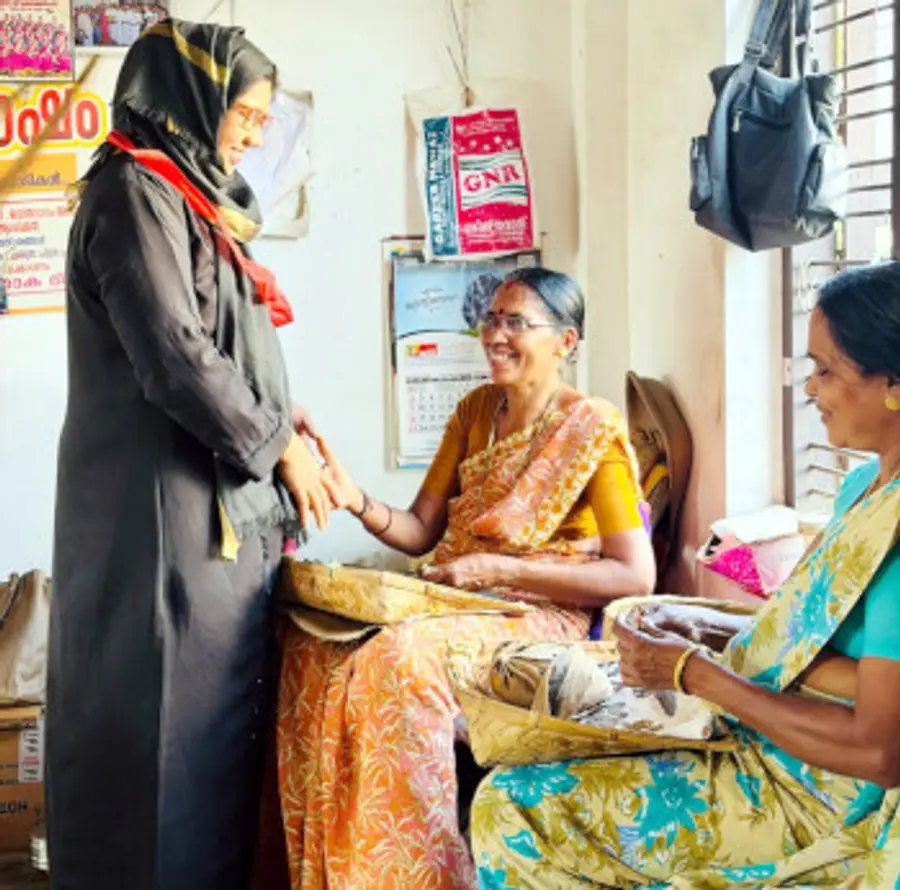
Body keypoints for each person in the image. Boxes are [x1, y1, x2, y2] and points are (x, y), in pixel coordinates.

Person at [470, 261, 900, 889]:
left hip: (815, 789)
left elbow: (878, 747)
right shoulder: (864, 486)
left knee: (513, 807)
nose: (810, 389)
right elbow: (814, 635)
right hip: (763, 729)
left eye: (825, 370)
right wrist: (711, 628)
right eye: (492, 321)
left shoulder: (590, 426)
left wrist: (692, 671)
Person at [46, 19, 330, 890]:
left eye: (259, 117)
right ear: (189, 99)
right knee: (158, 733)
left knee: (203, 735)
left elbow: (218, 343)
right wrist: (278, 446)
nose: (250, 132)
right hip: (157, 510)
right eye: (242, 113)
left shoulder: (186, 198)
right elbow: (175, 353)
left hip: (200, 502)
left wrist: (292, 420)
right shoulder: (133, 193)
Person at [276, 267, 657, 889]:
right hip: (458, 596)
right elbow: (421, 530)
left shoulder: (591, 429)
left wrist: (500, 568)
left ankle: (421, 873)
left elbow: (635, 575)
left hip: (540, 612)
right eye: (491, 320)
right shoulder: (477, 410)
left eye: (517, 322)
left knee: (396, 661)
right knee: (308, 648)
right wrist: (354, 500)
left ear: (566, 341)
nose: (496, 336)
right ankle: (338, 871)